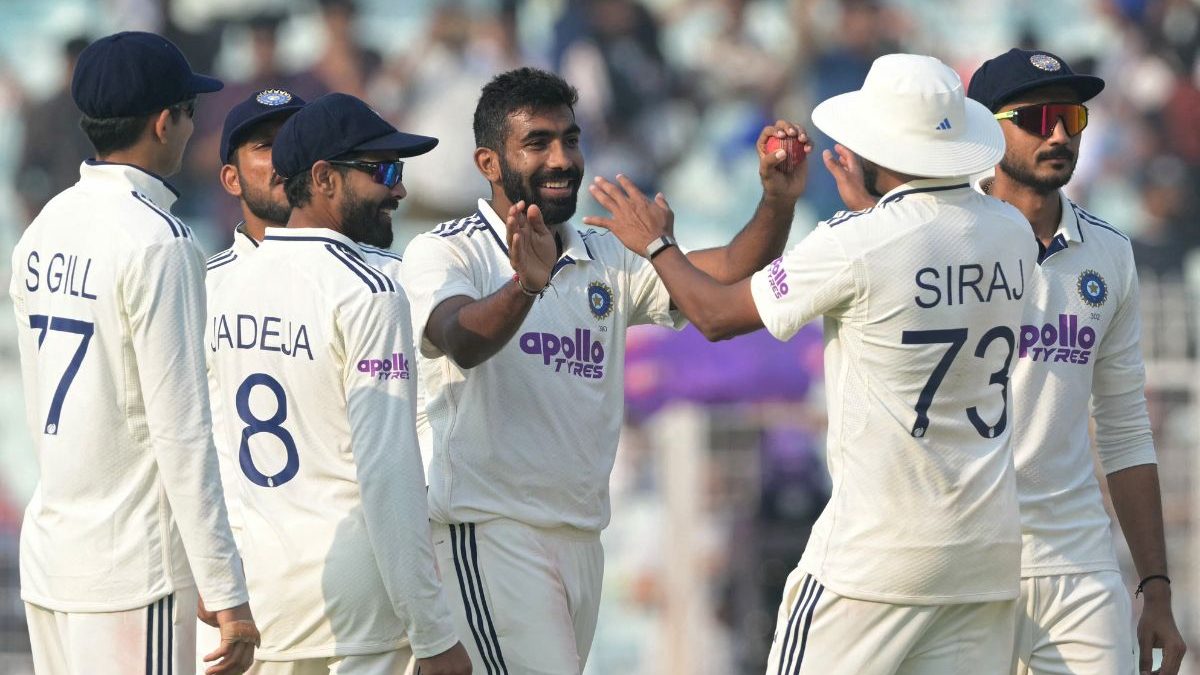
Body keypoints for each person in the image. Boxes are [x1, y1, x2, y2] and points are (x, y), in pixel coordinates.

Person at [585, 54, 1039, 673]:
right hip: (983, 552)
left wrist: (656, 243)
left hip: (875, 555)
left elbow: (716, 316)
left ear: (878, 152)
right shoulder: (1011, 230)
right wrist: (859, 202)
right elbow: (923, 250)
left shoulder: (855, 244)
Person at [400, 66, 808, 673]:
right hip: (489, 533)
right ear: (489, 163)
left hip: (581, 540)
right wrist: (524, 287)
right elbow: (460, 339)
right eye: (537, 143)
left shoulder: (601, 253)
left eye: (571, 138)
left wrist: (777, 200)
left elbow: (725, 273)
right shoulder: (448, 250)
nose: (562, 159)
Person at [8, 31, 258, 675]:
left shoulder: (42, 228)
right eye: (189, 112)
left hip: (54, 557)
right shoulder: (159, 241)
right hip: (131, 571)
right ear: (162, 121)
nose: (191, 128)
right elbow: (182, 433)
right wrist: (226, 592)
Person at [206, 91, 471, 675]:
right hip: (357, 612)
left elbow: (214, 451)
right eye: (383, 170)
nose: (399, 189)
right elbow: (388, 475)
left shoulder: (229, 287)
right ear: (324, 178)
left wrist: (218, 577)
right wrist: (432, 635)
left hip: (265, 597)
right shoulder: (368, 290)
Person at [965, 48, 1188, 675]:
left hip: (1077, 560)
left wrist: (1156, 589)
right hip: (963, 554)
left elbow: (1124, 429)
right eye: (1037, 119)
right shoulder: (944, 239)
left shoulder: (1110, 255)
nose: (1060, 133)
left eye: (1071, 117)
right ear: (986, 129)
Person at [198, 87, 307, 675]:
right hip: (242, 575)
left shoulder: (374, 281)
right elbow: (183, 435)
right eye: (266, 146)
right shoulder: (201, 287)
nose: (285, 157)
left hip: (346, 575)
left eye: (296, 141)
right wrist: (205, 568)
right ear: (232, 179)